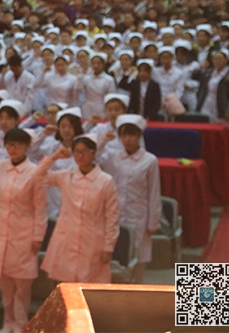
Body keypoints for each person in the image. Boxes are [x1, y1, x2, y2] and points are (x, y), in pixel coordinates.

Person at [0, 129, 46, 333]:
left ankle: (21, 325)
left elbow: (40, 208)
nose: (13, 148)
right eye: (10, 144)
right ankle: (8, 323)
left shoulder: (34, 172)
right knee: (4, 283)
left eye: (18, 144)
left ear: (26, 146)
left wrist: (38, 236)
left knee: (22, 286)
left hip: (24, 235)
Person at [33, 134, 120, 283]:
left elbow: (112, 216)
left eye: (85, 151)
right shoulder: (67, 176)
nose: (80, 156)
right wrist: (54, 157)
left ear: (93, 152)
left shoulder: (105, 181)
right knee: (66, 285)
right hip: (67, 238)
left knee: (89, 284)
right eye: (77, 152)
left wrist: (108, 247)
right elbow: (36, 177)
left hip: (93, 241)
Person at [98, 114, 161, 284]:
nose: (127, 139)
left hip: (138, 214)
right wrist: (103, 141)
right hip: (114, 213)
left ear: (139, 136)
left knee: (139, 255)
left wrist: (153, 222)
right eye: (124, 135)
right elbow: (93, 160)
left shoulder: (150, 160)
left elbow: (154, 192)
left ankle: (138, 289)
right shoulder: (112, 156)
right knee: (113, 253)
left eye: (132, 134)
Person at [193, 49, 229, 136]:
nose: (217, 61)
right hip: (206, 103)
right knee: (205, 132)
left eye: (220, 58)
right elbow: (196, 79)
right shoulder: (207, 73)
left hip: (221, 106)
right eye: (215, 59)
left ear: (226, 60)